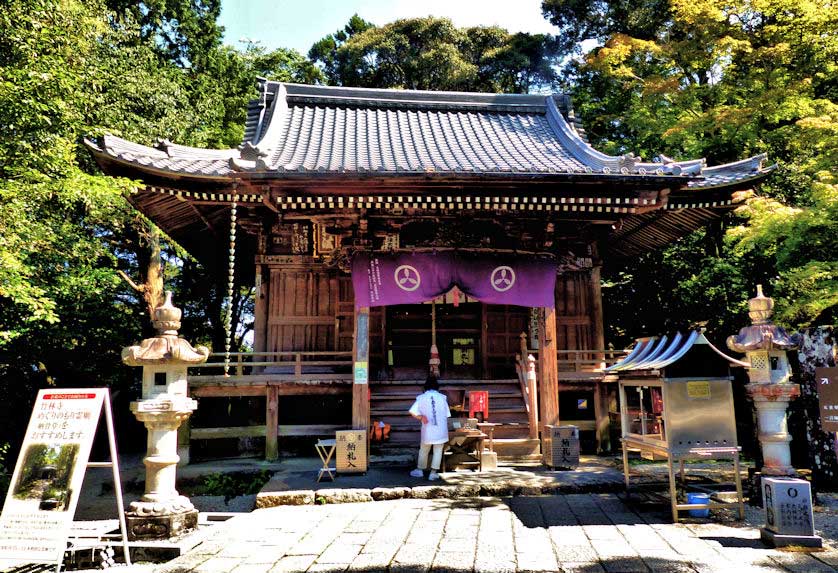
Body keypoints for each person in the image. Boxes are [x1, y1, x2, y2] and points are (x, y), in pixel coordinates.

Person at [408, 375, 450, 480]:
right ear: (437, 386)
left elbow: (412, 411)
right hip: (440, 429)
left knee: (424, 449)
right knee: (438, 450)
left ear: (425, 386)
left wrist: (421, 417)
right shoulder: (442, 398)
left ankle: (420, 470)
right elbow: (447, 414)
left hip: (427, 429)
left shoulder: (421, 398)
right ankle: (433, 473)